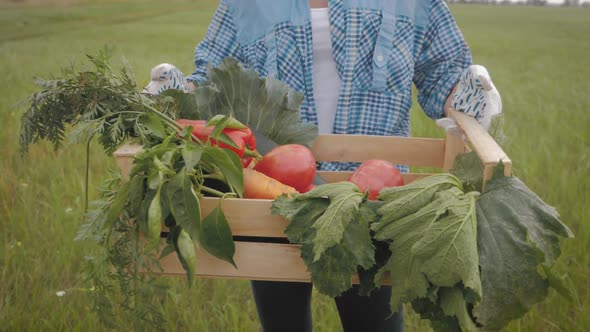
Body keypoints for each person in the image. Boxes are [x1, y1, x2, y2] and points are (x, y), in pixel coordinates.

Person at [145, 0, 502, 331]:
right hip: (275, 199)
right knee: (281, 320)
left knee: (375, 320)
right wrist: (177, 93)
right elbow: (212, 76)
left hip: (374, 205)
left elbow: (443, 72)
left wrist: (469, 93)